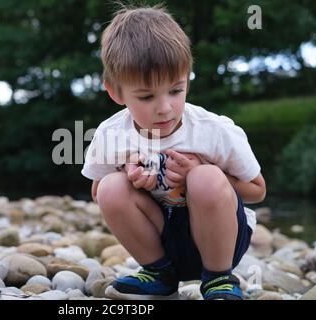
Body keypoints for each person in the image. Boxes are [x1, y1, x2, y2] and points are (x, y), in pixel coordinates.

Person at [81, 4, 266, 300]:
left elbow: (257, 190)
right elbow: (97, 193)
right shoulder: (111, 135)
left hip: (221, 241)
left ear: (188, 77)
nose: (164, 107)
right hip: (161, 240)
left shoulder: (212, 130)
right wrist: (128, 173)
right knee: (112, 187)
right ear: (116, 92)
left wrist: (201, 170)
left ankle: (218, 280)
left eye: (176, 90)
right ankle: (159, 274)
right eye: (146, 96)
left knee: (205, 177)